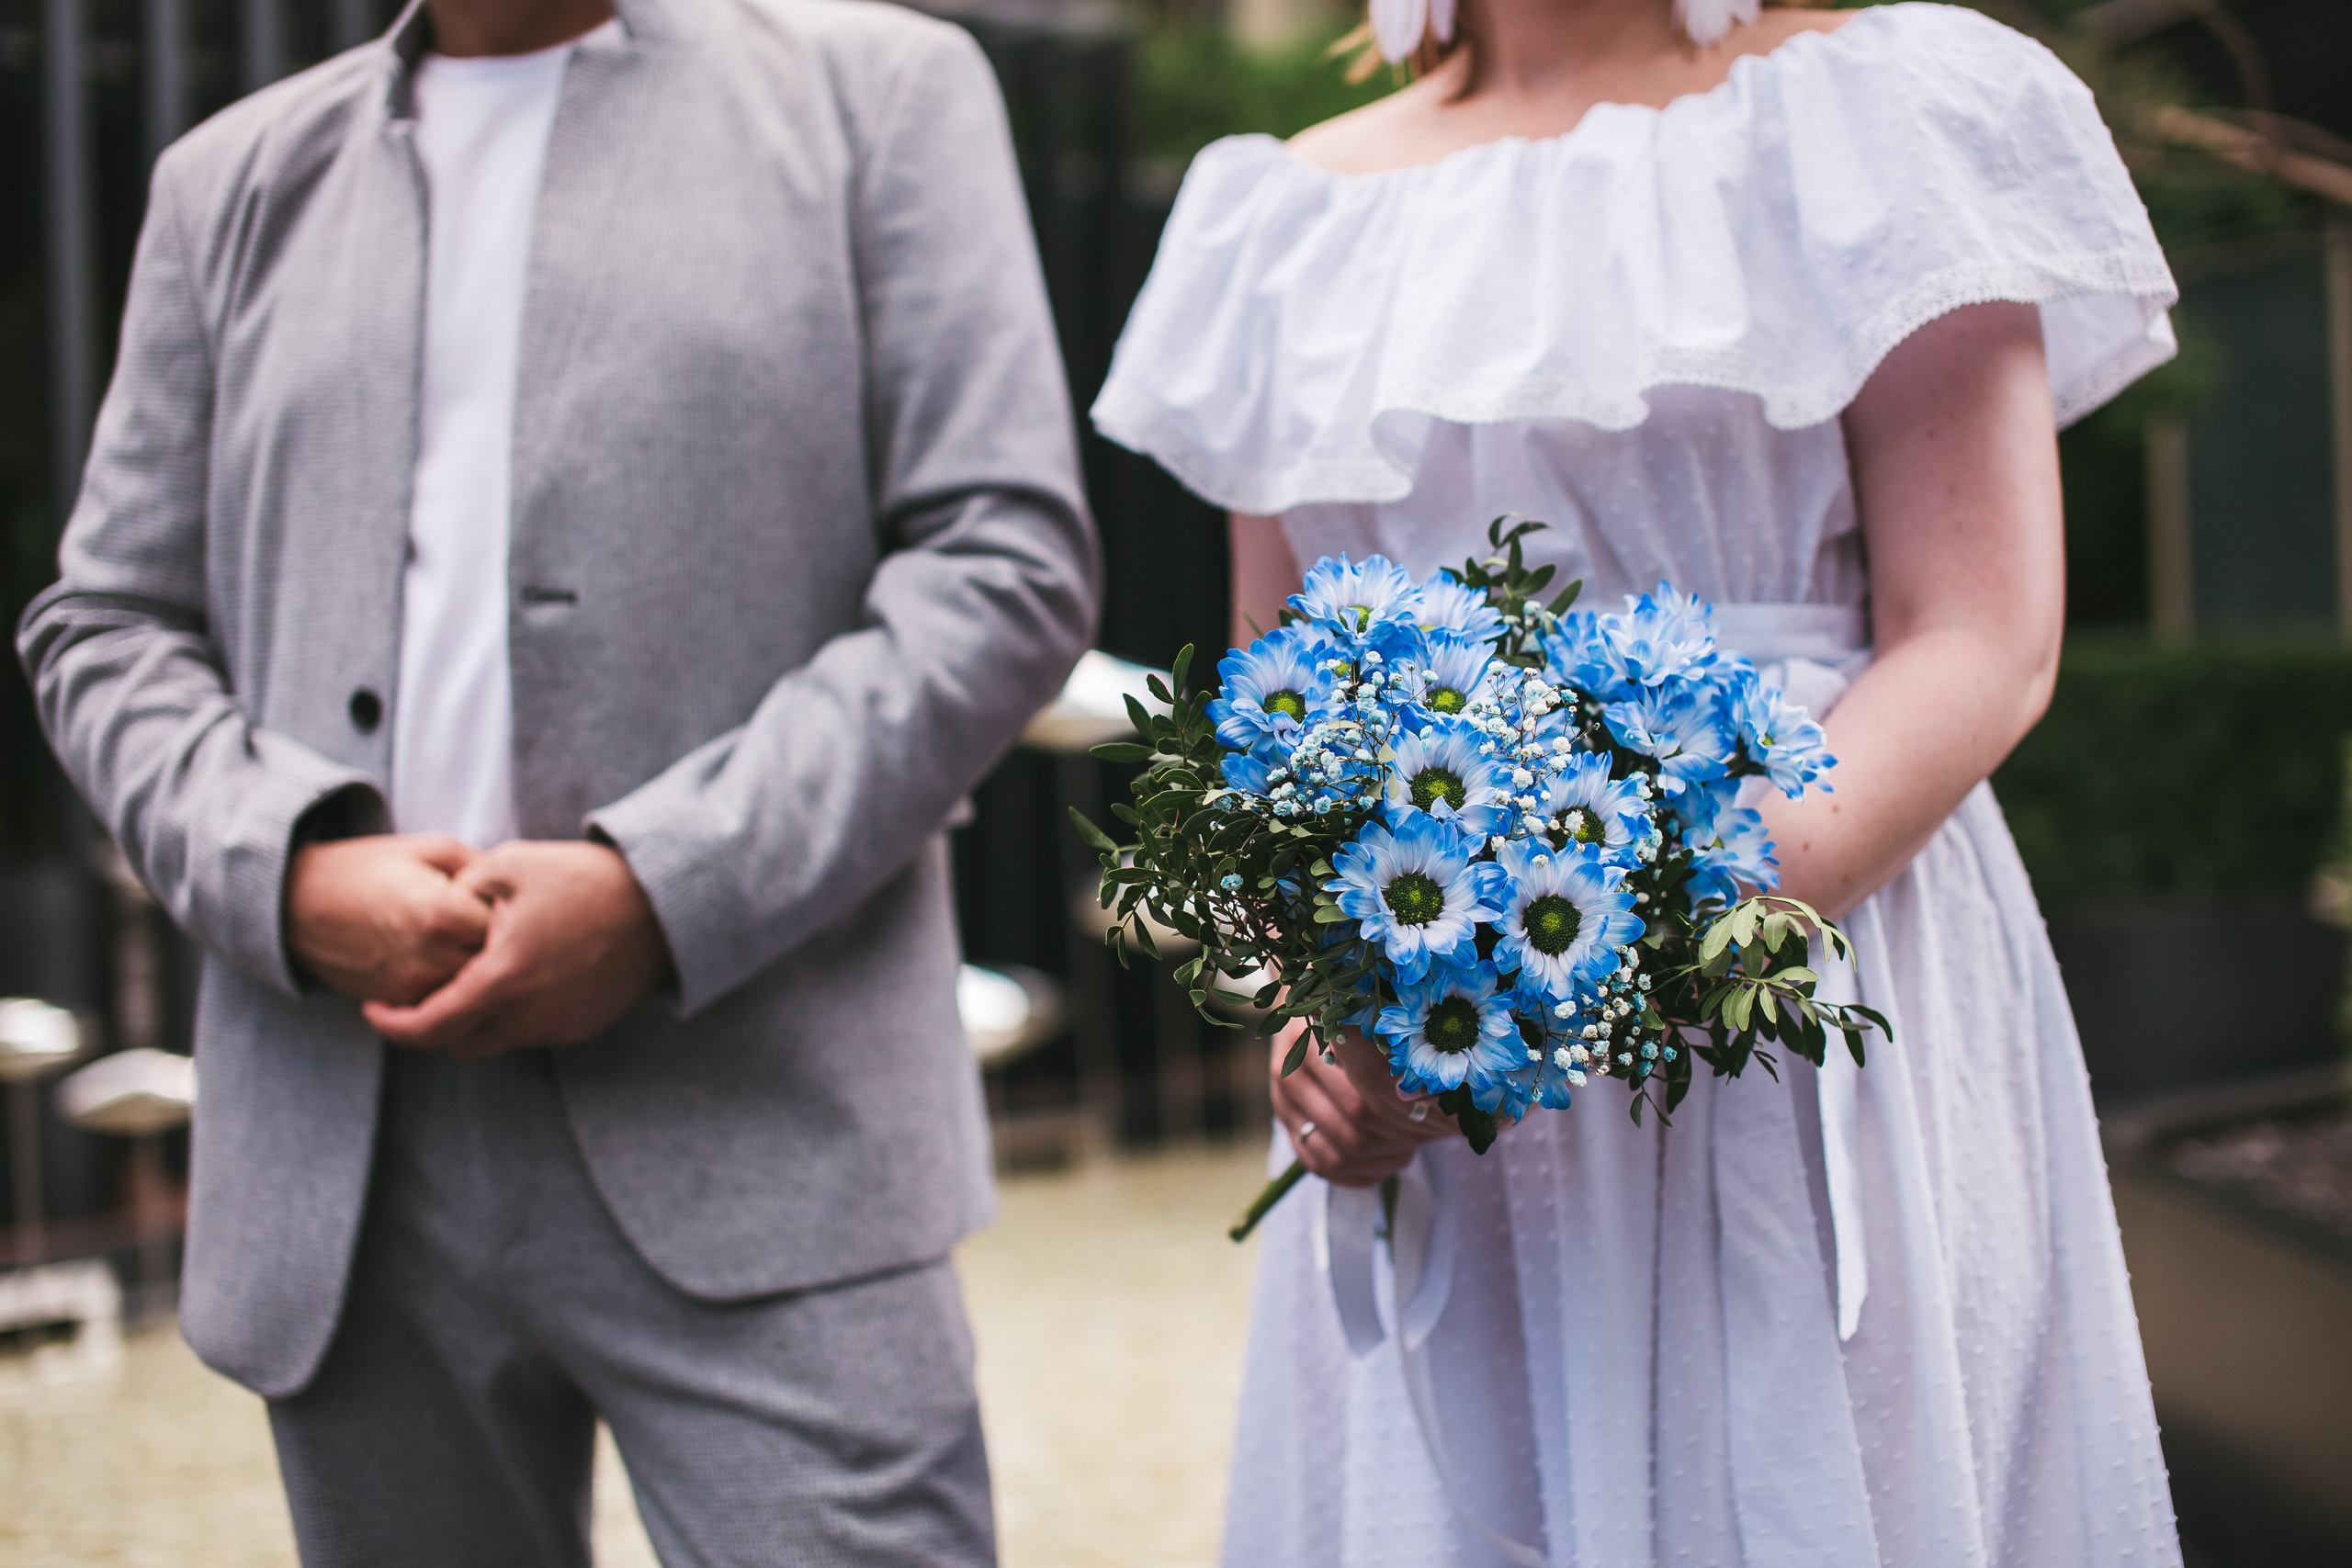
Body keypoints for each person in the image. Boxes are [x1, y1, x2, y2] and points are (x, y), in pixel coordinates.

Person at [1094, 0, 2182, 1562]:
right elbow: (1286, 703)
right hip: (1426, 1079)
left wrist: (1589, 953)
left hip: (1788, 995)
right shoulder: (1279, 215)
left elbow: (1982, 638)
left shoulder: (1881, 118)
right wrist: (1315, 1009)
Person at [17, 0, 1096, 1561]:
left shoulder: (883, 95)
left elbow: (1002, 563)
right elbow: (104, 621)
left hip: (768, 1108)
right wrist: (287, 867)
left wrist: (666, 890)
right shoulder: (226, 179)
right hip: (347, 1162)